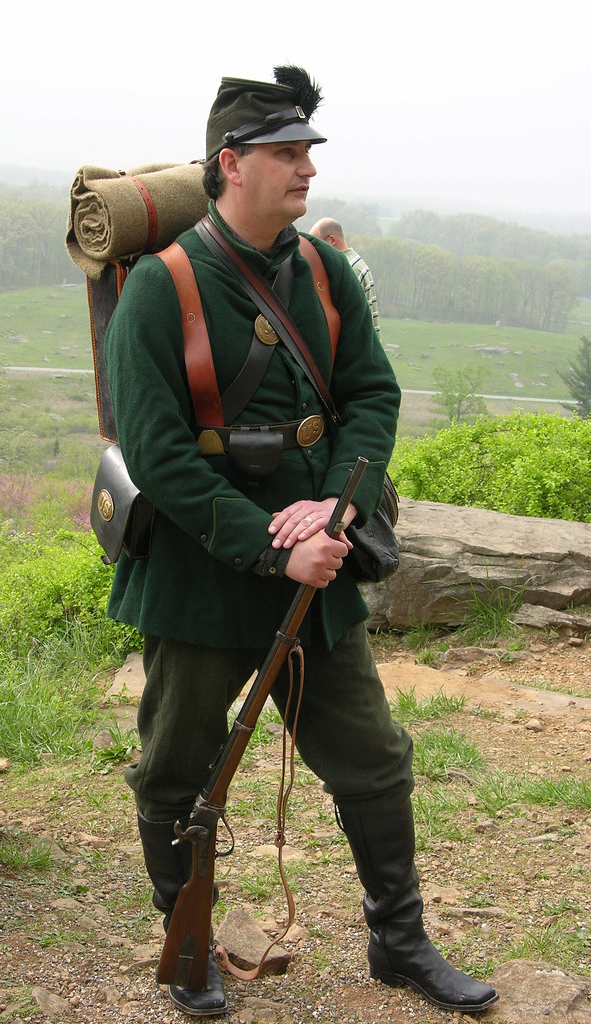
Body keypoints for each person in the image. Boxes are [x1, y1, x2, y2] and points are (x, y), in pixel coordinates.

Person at [103, 66, 498, 1018]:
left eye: (309, 152)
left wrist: (336, 510)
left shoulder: (321, 272)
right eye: (286, 154)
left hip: (318, 564)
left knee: (372, 758)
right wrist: (272, 547)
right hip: (201, 579)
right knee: (174, 767)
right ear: (231, 164)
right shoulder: (161, 289)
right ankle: (187, 942)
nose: (305, 170)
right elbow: (159, 455)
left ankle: (399, 942)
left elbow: (372, 396)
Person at [310, 217, 382, 338]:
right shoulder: (356, 261)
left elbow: (351, 322)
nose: (315, 250)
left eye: (317, 244)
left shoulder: (348, 269)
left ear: (332, 240)